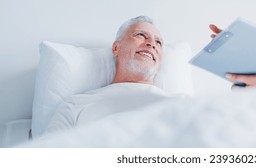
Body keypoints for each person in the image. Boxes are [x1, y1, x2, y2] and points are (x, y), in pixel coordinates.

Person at [44, 16, 176, 134]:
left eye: (158, 42)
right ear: (116, 48)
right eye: (141, 35)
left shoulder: (179, 104)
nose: (151, 44)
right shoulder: (75, 105)